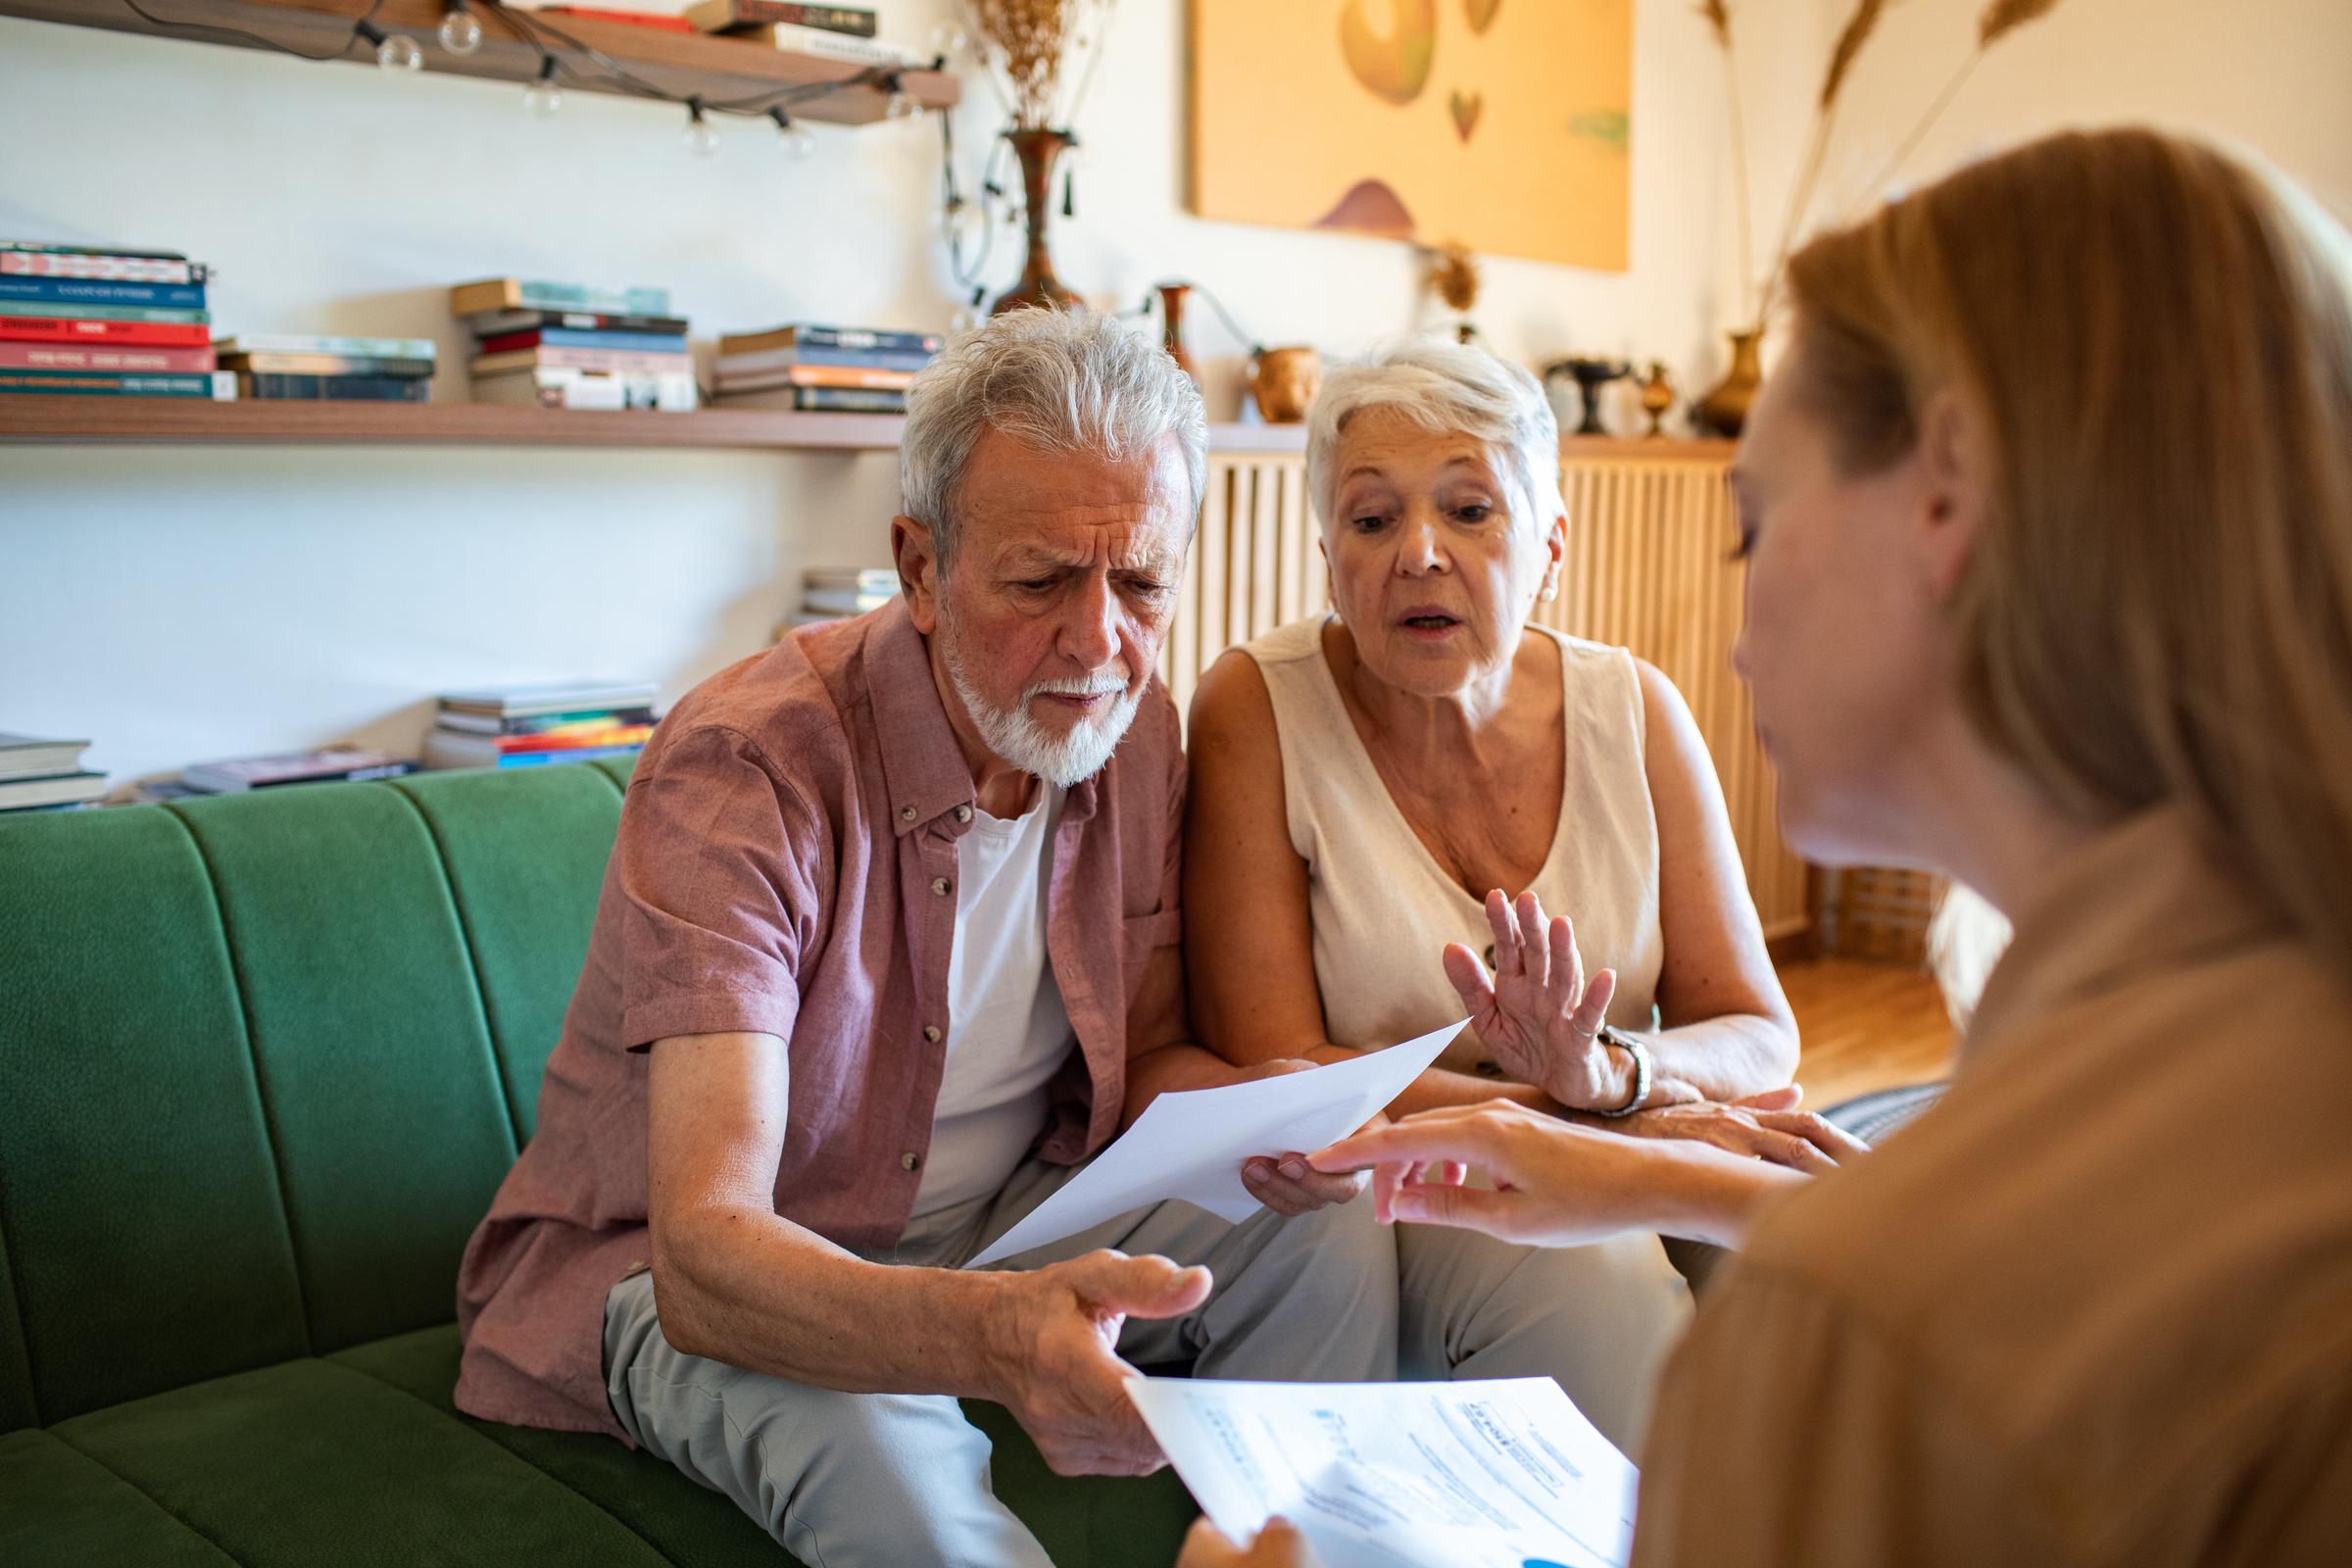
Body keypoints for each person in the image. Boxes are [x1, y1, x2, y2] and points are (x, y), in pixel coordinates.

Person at [1266, 127, 2352, 1565]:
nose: (1736, 632)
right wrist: (1660, 1163)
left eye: (1754, 528)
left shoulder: (1843, 1356)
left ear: (1948, 498)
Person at [453, 307, 1403, 1568]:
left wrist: (1261, 1113)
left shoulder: (1135, 732)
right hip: (716, 1270)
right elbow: (707, 1250)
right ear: (918, 567)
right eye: (1039, 581)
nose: (1098, 640)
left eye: (1140, 582)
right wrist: (989, 1335)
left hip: (996, 1218)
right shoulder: (750, 766)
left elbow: (1155, 1053)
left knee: (1324, 1230)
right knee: (878, 1436)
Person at [1183, 337, 1858, 1449]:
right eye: (1371, 519)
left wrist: (1613, 1076)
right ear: (1326, 554)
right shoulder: (1257, 708)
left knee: (1813, 1266)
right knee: (1601, 1290)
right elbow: (1281, 1068)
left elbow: (1754, 1028)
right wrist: (1588, 1125)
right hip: (1397, 1178)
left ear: (1550, 547)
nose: (1418, 554)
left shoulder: (1633, 707)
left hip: (1622, 1117)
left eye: (1468, 509)